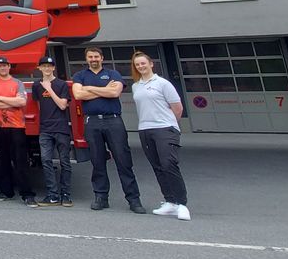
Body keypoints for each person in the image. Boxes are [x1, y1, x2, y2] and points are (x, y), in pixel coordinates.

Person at [73, 47, 145, 214]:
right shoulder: (80, 75)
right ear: (87, 59)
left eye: (96, 56)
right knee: (97, 162)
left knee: (123, 161)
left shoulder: (113, 74)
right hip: (92, 122)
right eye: (90, 57)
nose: (93, 59)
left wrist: (89, 88)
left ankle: (134, 199)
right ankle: (101, 197)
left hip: (113, 121)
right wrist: (103, 90)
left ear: (102, 58)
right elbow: (78, 95)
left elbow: (115, 92)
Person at [131, 51, 191, 221]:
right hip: (145, 129)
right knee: (157, 166)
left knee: (169, 164)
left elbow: (177, 108)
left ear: (151, 64)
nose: (141, 66)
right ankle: (169, 201)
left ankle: (182, 204)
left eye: (143, 63)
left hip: (165, 128)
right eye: (137, 64)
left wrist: (170, 124)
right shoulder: (136, 86)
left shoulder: (163, 83)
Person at [0, 56, 37, 207]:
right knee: (2, 161)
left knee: (20, 161)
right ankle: (6, 191)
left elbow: (22, 102)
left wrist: (1, 99)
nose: (2, 68)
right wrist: (11, 101)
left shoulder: (17, 83)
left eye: (5, 65)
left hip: (16, 127)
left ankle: (27, 194)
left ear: (9, 67)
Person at [32, 56, 72, 207]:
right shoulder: (37, 85)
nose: (47, 68)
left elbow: (63, 105)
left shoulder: (61, 84)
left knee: (65, 162)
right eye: (44, 66)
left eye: (49, 66)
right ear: (39, 68)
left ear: (54, 68)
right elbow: (39, 104)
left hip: (61, 128)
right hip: (45, 129)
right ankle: (52, 195)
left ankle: (66, 195)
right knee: (46, 161)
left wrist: (49, 89)